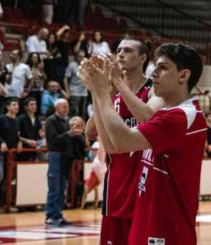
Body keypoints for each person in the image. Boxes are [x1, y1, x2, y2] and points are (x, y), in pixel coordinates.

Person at [80, 43, 206, 245]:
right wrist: (98, 91)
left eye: (163, 67)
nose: (154, 72)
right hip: (145, 217)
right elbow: (112, 147)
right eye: (155, 66)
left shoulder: (181, 118)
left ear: (183, 76)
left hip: (166, 229)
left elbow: (121, 141)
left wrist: (103, 90)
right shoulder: (169, 115)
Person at [85, 38, 164, 245]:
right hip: (116, 187)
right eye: (118, 50)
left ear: (143, 58)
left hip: (144, 185)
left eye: (127, 51)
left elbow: (148, 117)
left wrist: (117, 82)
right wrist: (101, 90)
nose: (120, 54)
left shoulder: (153, 90)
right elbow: (90, 132)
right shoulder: (112, 93)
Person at [45, 98, 82, 226]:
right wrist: (69, 134)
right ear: (56, 108)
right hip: (55, 155)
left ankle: (58, 214)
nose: (66, 109)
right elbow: (53, 140)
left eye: (67, 107)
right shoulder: (51, 121)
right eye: (63, 107)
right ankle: (50, 215)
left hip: (65, 156)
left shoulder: (66, 121)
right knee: (54, 186)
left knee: (62, 187)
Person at [0, 97, 22, 205]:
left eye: (17, 105)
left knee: (7, 176)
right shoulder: (1, 118)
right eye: (14, 105)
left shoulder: (17, 120)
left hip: (10, 153)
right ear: (8, 107)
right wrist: (2, 142)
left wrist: (19, 142)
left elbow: (16, 135)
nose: (17, 107)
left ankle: (4, 200)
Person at [18, 97, 42, 161]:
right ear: (26, 107)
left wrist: (39, 144)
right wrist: (27, 141)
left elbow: (39, 136)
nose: (34, 106)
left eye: (35, 104)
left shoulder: (38, 120)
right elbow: (15, 135)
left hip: (34, 150)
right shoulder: (20, 118)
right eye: (31, 104)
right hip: (22, 149)